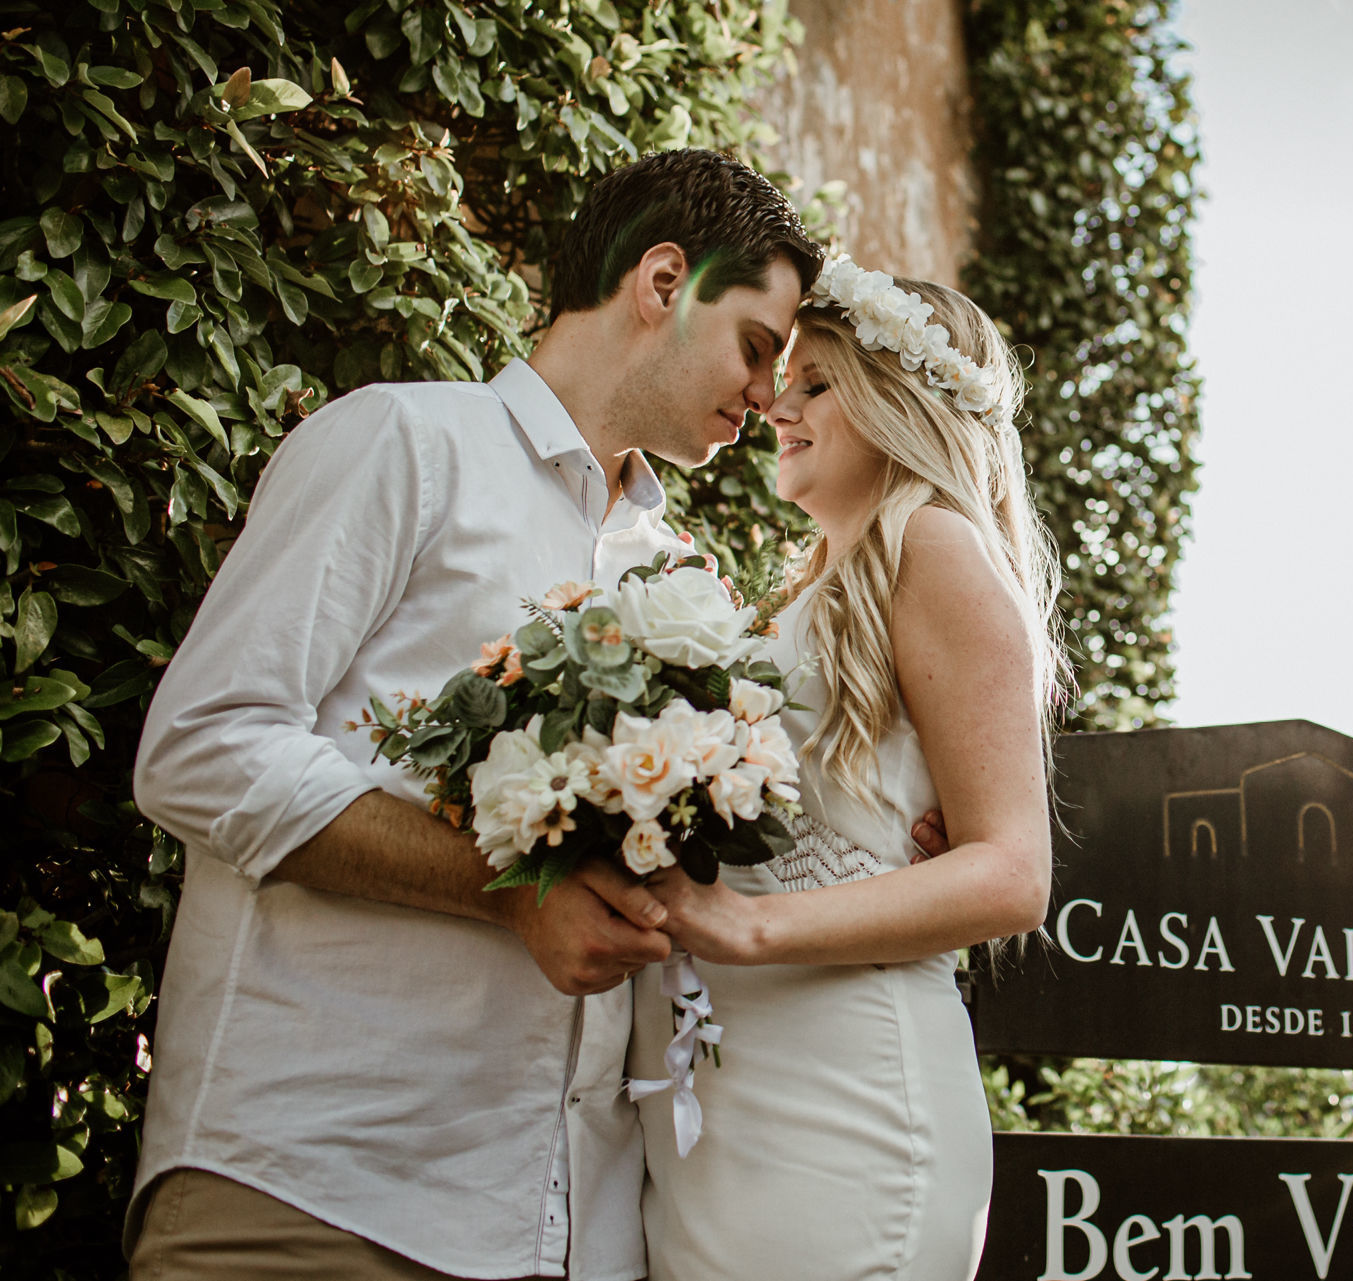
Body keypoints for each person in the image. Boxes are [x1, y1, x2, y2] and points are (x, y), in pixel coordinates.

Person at [127, 150, 824, 1281]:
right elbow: (201, 751)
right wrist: (513, 890)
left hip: (571, 1234)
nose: (764, 397)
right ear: (661, 281)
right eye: (755, 345)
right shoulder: (403, 445)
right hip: (313, 1192)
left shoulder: (686, 578)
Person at [630, 260, 1063, 1281]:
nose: (778, 404)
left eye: (818, 383)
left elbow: (1012, 873)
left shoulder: (935, 546)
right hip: (723, 1101)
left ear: (899, 401)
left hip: (845, 1100)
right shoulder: (807, 593)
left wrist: (744, 926)